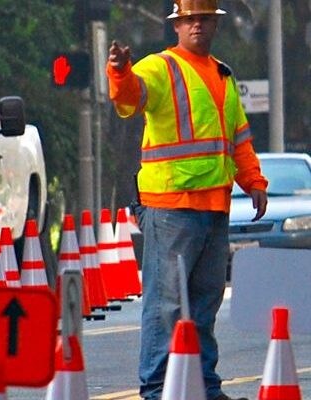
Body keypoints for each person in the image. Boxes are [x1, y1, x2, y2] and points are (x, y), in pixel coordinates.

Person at [106, 1, 268, 400]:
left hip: (214, 208)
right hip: (171, 207)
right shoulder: (160, 67)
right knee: (166, 306)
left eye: (203, 19)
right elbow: (131, 98)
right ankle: (160, 389)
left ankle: (204, 387)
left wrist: (254, 181)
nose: (196, 25)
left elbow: (238, 139)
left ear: (215, 24)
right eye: (189, 19)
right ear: (176, 26)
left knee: (203, 305)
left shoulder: (223, 76)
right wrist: (120, 71)